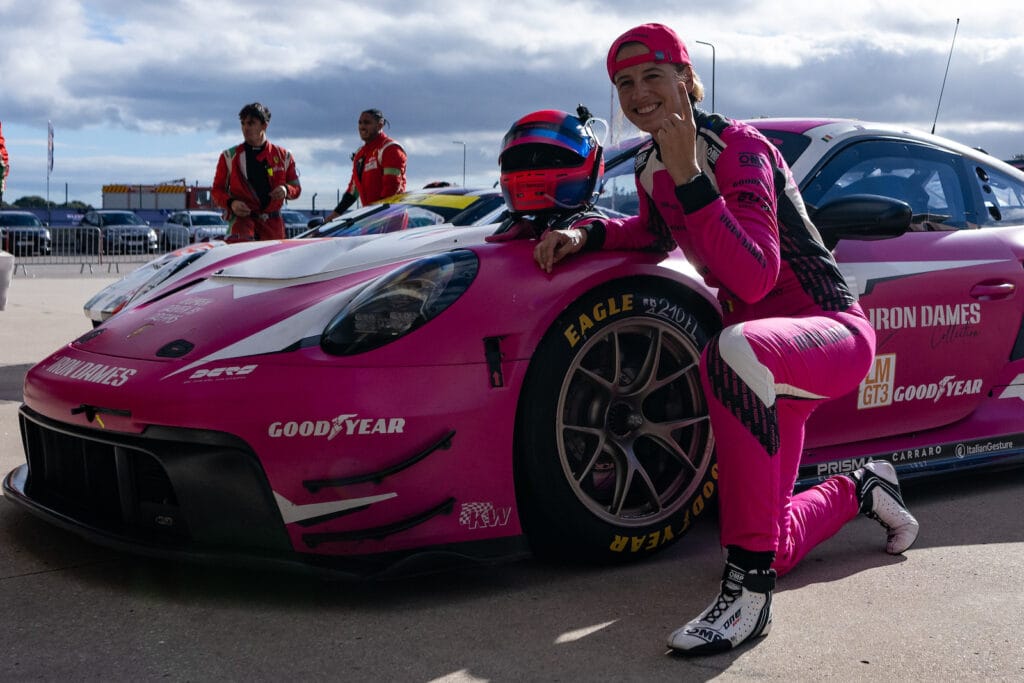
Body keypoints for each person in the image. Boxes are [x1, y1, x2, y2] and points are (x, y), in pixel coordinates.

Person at [532, 23, 919, 655]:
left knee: (731, 351)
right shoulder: (656, 164)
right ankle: (864, 487)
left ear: (686, 79)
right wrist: (587, 234)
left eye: (652, 77)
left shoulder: (737, 147)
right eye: (624, 84)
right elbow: (653, 234)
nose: (638, 94)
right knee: (775, 544)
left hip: (830, 334)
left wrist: (692, 177)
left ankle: (746, 600)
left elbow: (755, 275)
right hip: (763, 361)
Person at [212, 102, 301, 242]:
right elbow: (216, 191)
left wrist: (285, 189)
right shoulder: (229, 156)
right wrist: (231, 203)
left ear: (264, 126)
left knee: (273, 263)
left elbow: (296, 188)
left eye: (251, 123)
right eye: (242, 123)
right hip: (241, 227)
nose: (245, 128)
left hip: (273, 228)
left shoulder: (284, 156)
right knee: (239, 263)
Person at [323, 109, 406, 222]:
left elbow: (391, 188)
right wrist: (334, 215)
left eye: (367, 123)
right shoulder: (360, 154)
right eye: (360, 123)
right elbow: (353, 191)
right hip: (370, 219)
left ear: (380, 125)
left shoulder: (390, 149)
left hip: (391, 218)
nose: (362, 126)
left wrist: (377, 216)